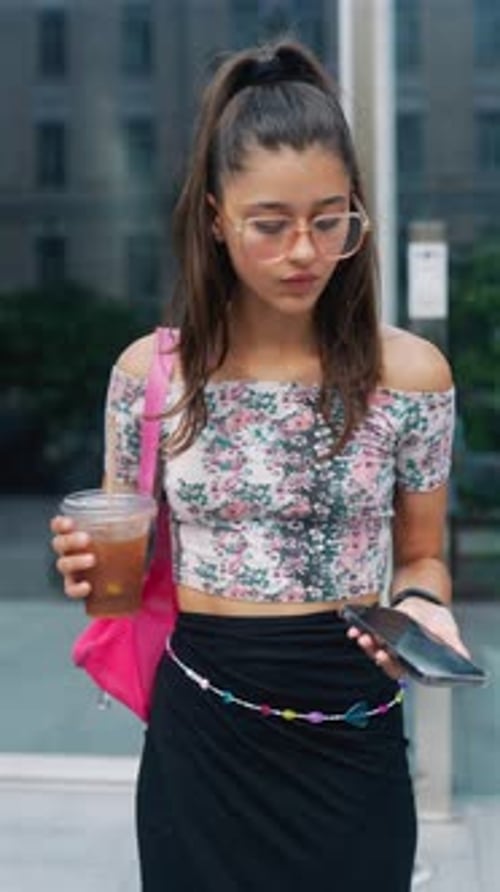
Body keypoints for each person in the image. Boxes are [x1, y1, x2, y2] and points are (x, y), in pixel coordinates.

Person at [51, 38, 468, 892]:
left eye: (330, 219)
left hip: (351, 721)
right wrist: (84, 563)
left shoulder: (411, 375)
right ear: (216, 218)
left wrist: (423, 605)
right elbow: (124, 558)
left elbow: (422, 554)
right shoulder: (150, 375)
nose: (304, 251)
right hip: (203, 731)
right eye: (270, 225)